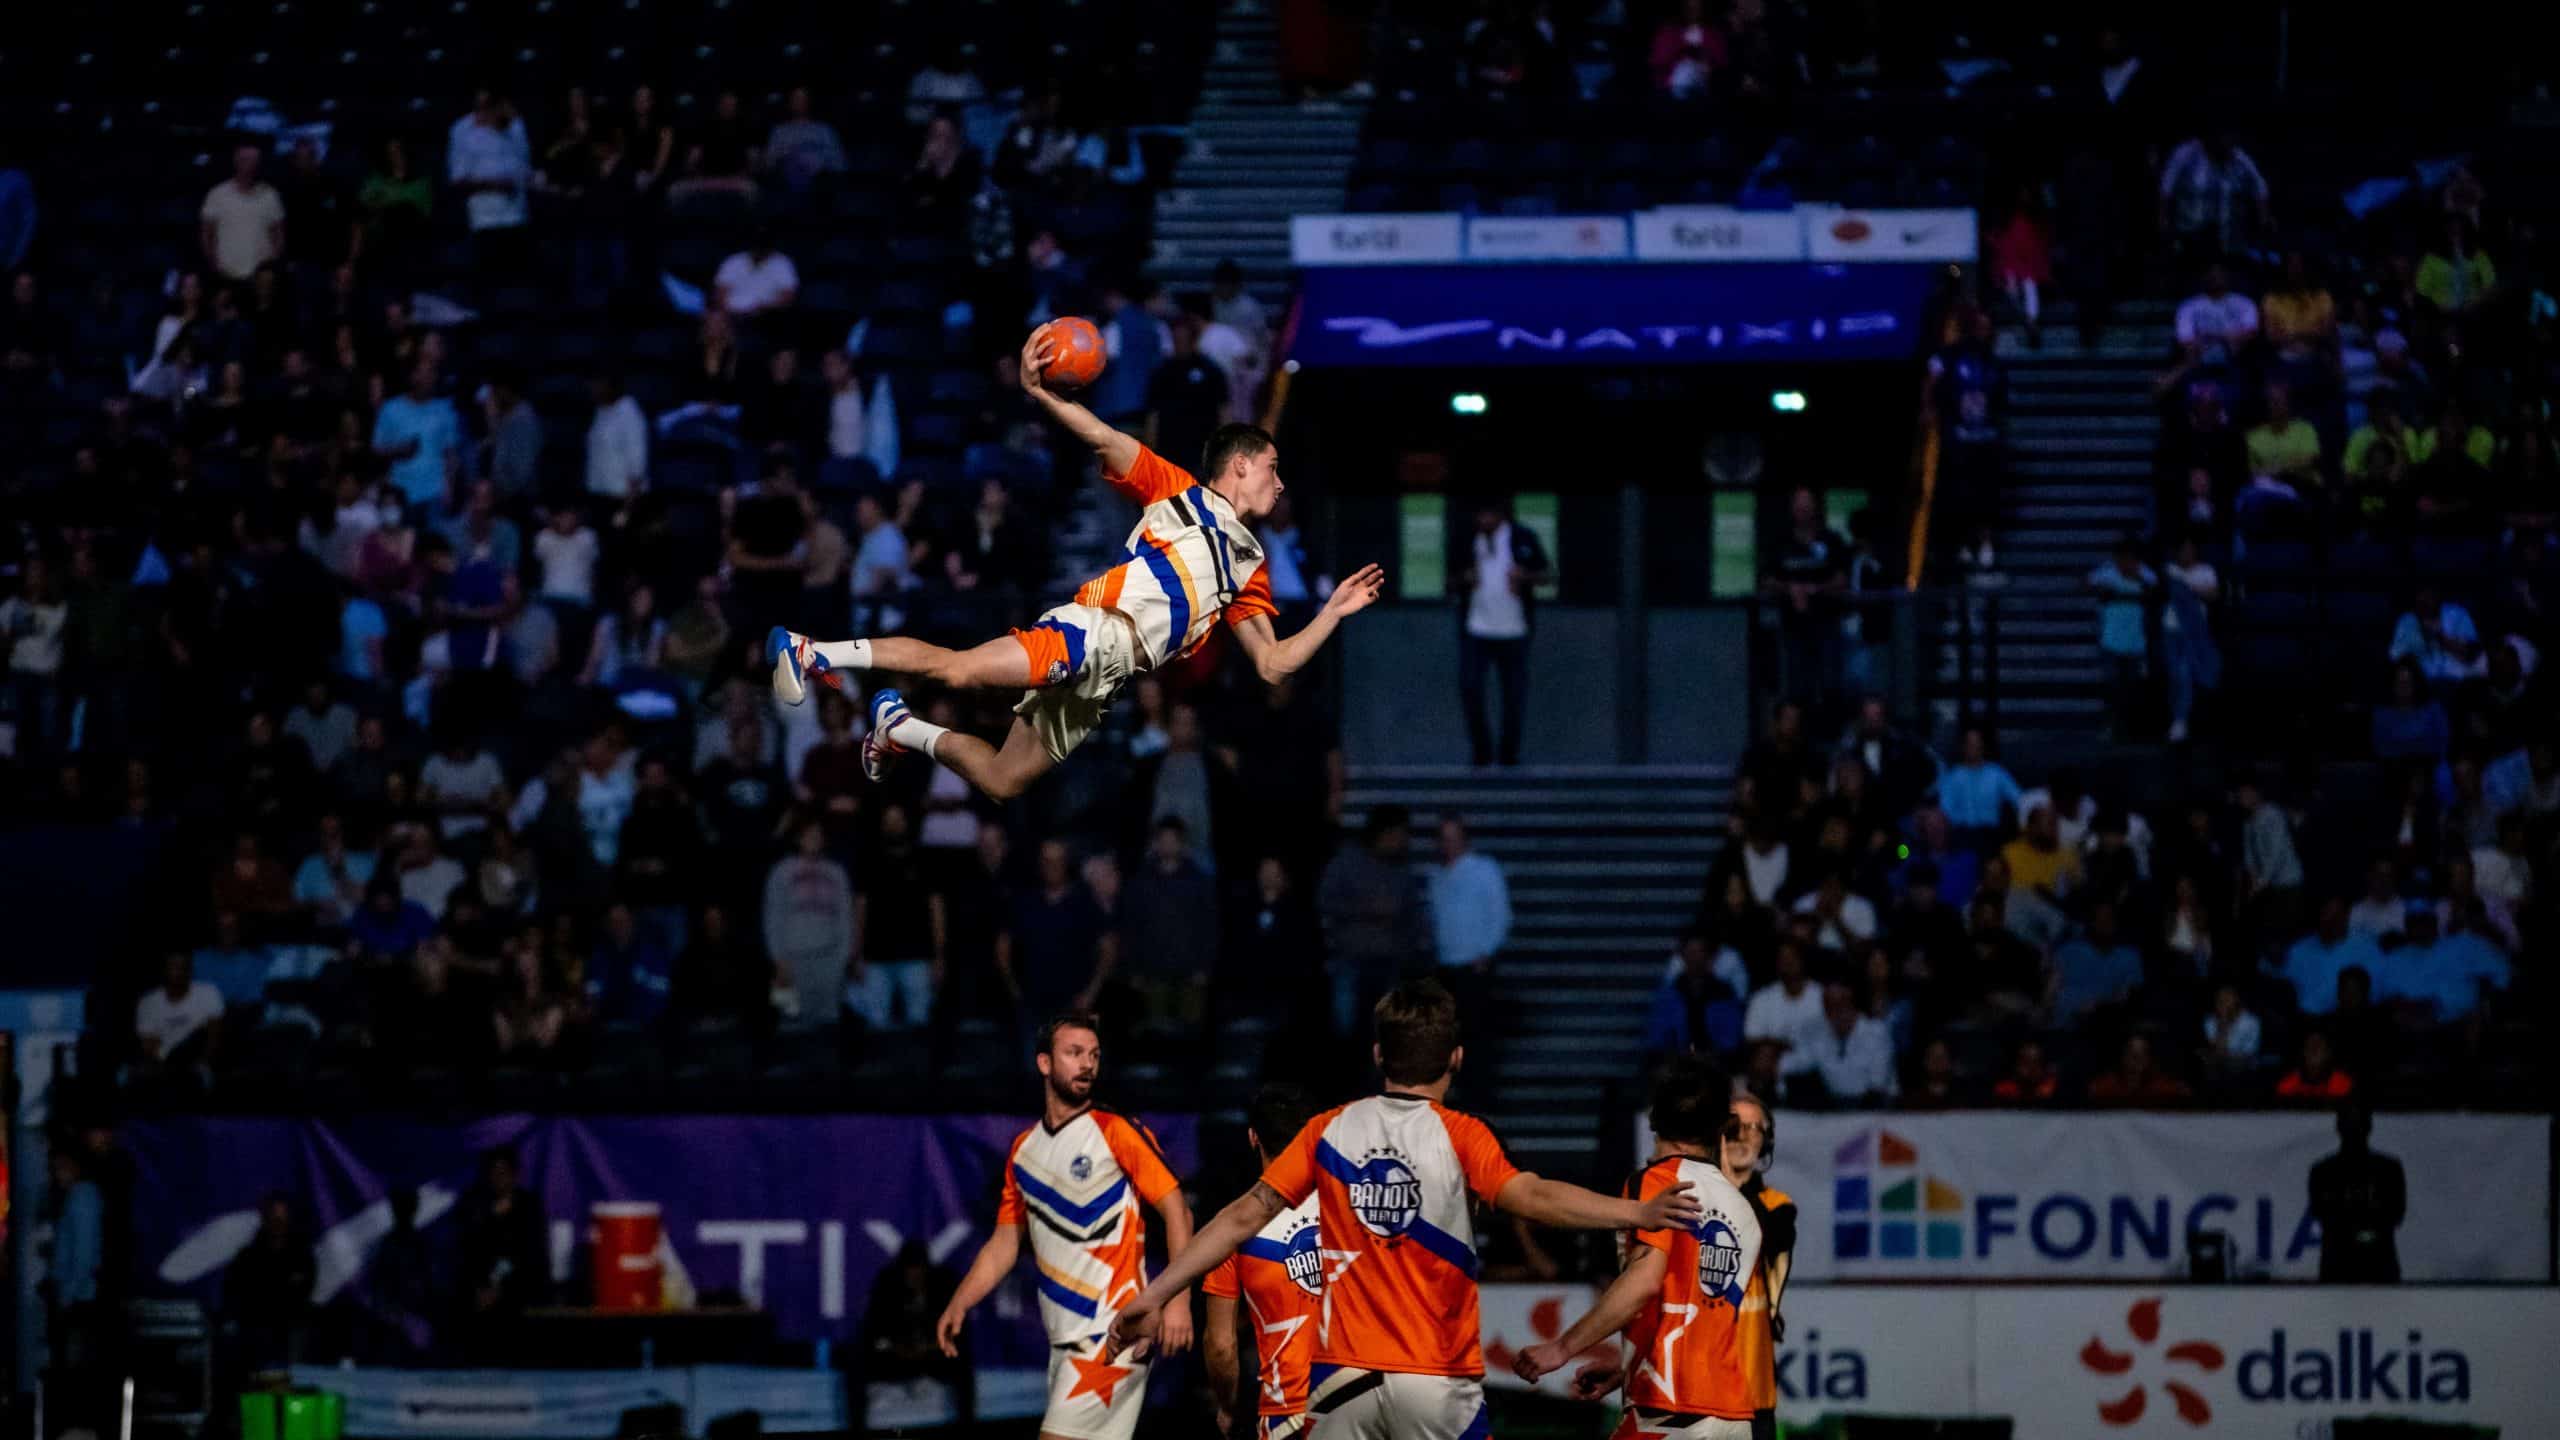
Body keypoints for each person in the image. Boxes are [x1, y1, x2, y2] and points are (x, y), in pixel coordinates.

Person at [768, 330, 1386, 801]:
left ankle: (898, 726)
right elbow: (1102, 437)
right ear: (1242, 465)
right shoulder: (1179, 493)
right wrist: (1038, 392)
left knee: (1003, 781)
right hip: (1089, 635)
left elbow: (1274, 666)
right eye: (1273, 469)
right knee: (957, 673)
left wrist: (1333, 611)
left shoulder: (1250, 566)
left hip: (1105, 681)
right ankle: (811, 651)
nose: (1280, 485)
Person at [1102, 980, 1702, 1440]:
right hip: (1434, 1381)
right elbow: (1535, 1195)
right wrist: (1638, 1215)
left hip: (1339, 1383)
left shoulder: (1328, 1130)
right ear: (1458, 1058)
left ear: (1377, 1054)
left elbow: (1239, 1218)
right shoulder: (1462, 1135)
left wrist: (1152, 1296)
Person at [933, 1014, 1197, 1440]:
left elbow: (1178, 1212)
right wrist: (960, 1302)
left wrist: (1178, 1302)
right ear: (1044, 1063)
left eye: (1093, 1055)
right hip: (1065, 1345)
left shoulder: (1117, 1132)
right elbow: (1004, 1244)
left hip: (1113, 1333)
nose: (1087, 1064)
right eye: (1074, 1053)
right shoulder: (1024, 1151)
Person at [1512, 1057, 1757, 1439]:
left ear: (1653, 1121)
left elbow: (1645, 1280)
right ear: (1719, 1130)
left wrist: (1562, 1347)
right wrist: (1628, 1365)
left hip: (1668, 1408)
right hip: (1731, 1416)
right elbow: (1700, 1315)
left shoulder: (1657, 1183)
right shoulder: (1743, 1210)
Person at [1201, 1083, 1324, 1440]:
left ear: (1253, 1137)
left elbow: (1221, 1346)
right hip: (1359, 1400)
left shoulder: (1231, 1233)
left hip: (1287, 1410)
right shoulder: (1351, 1212)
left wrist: (1227, 1406)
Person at [1454, 498, 1550, 767]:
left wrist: (1524, 577)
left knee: (1514, 695)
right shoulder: (1467, 540)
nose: (1482, 522)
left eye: (1487, 516)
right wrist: (1465, 579)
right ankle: (1482, 752)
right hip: (1477, 628)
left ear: (1500, 516)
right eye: (1479, 516)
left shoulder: (1523, 537)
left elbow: (1546, 573)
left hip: (1514, 630)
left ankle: (1508, 755)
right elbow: (1449, 579)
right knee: (1470, 687)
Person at [861, 1241, 969, 1431]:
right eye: (909, 1269)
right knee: (857, 1360)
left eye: (918, 1269)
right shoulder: (887, 1286)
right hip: (897, 1357)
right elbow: (873, 1331)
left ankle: (967, 1424)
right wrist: (896, 1348)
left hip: (933, 1355)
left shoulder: (943, 1286)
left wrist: (930, 1346)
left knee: (963, 1360)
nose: (914, 1275)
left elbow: (957, 1332)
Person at [2308, 1103, 2404, 1283]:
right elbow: (2321, 1212)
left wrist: (2363, 1231)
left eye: (2358, 1123)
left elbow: (2396, 1212)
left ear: (2368, 1127)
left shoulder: (2389, 1170)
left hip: (2379, 1263)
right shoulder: (2323, 1171)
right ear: (2339, 1127)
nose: (2354, 1130)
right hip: (2337, 1265)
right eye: (2349, 1123)